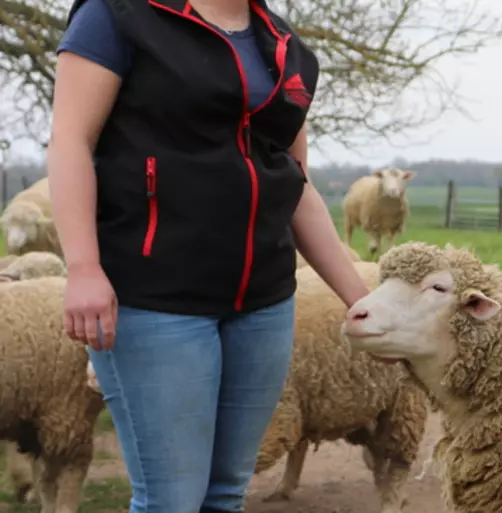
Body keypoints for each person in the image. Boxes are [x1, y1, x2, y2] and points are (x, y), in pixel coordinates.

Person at [46, 0, 370, 511]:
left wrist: (361, 298)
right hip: (153, 299)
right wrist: (84, 267)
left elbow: (295, 184)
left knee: (225, 495)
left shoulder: (288, 50)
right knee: (171, 500)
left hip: (263, 306)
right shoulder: (118, 15)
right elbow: (70, 142)